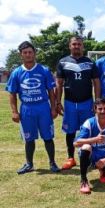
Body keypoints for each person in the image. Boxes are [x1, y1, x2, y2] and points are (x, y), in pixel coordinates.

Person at [6, 41, 60, 174]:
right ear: (21, 55)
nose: (28, 55)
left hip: (43, 108)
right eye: (25, 53)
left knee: (48, 137)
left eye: (30, 52)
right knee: (29, 138)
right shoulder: (16, 73)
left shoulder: (44, 70)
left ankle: (52, 163)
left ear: (34, 53)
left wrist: (53, 108)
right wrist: (14, 111)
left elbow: (51, 92)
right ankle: (29, 164)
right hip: (27, 109)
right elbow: (12, 94)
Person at [56, 36, 101, 170]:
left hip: (87, 102)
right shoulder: (63, 62)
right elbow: (59, 83)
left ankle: (90, 157)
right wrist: (58, 102)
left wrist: (97, 101)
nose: (76, 46)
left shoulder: (90, 62)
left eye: (79, 44)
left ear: (83, 46)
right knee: (70, 132)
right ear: (70, 46)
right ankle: (71, 158)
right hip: (70, 103)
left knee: (88, 130)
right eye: (74, 44)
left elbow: (96, 82)